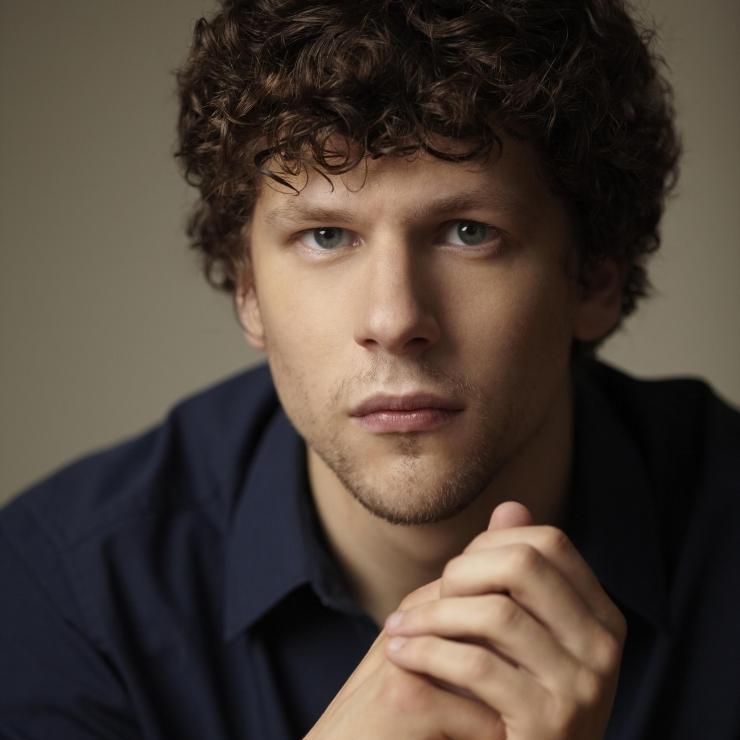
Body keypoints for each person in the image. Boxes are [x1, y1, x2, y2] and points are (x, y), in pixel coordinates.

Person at [1, 0, 738, 738]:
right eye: (326, 235)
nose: (393, 320)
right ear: (248, 291)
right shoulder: (66, 593)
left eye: (469, 232)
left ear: (595, 280)